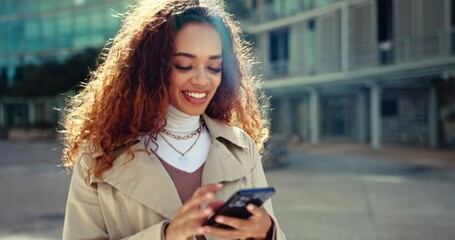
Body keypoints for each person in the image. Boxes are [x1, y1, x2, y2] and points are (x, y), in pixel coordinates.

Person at [61, 0, 286, 239]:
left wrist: (266, 231)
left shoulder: (241, 147)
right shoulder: (98, 157)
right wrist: (165, 236)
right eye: (184, 65)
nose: (202, 80)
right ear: (151, 68)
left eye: (214, 67)